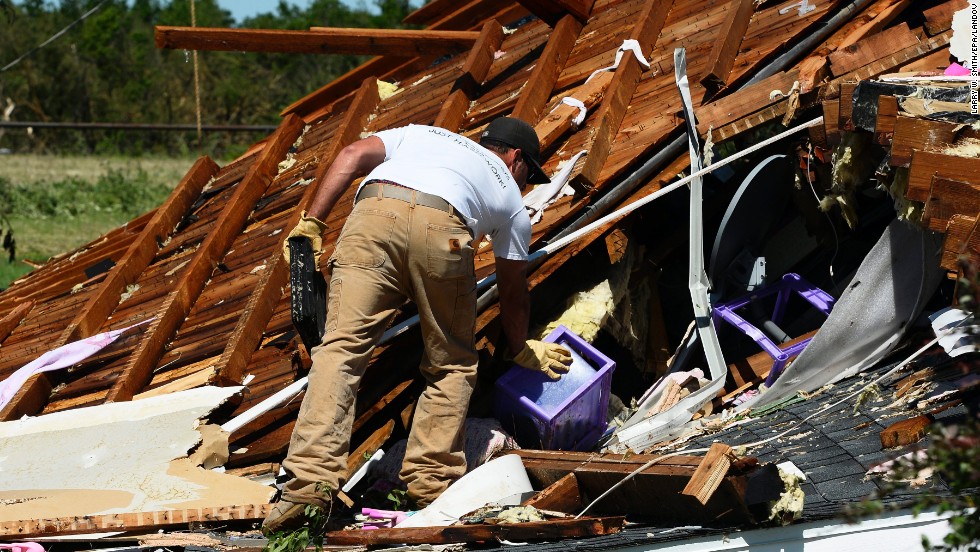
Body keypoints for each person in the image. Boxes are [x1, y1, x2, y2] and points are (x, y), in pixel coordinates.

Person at [263, 117, 575, 533]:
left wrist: (312, 223)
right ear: (516, 158)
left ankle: (305, 491)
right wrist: (520, 346)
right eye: (529, 174)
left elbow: (351, 154)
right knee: (452, 364)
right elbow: (513, 287)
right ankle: (430, 488)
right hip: (443, 234)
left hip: (371, 216)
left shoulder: (422, 134)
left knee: (339, 353)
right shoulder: (510, 196)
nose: (525, 184)